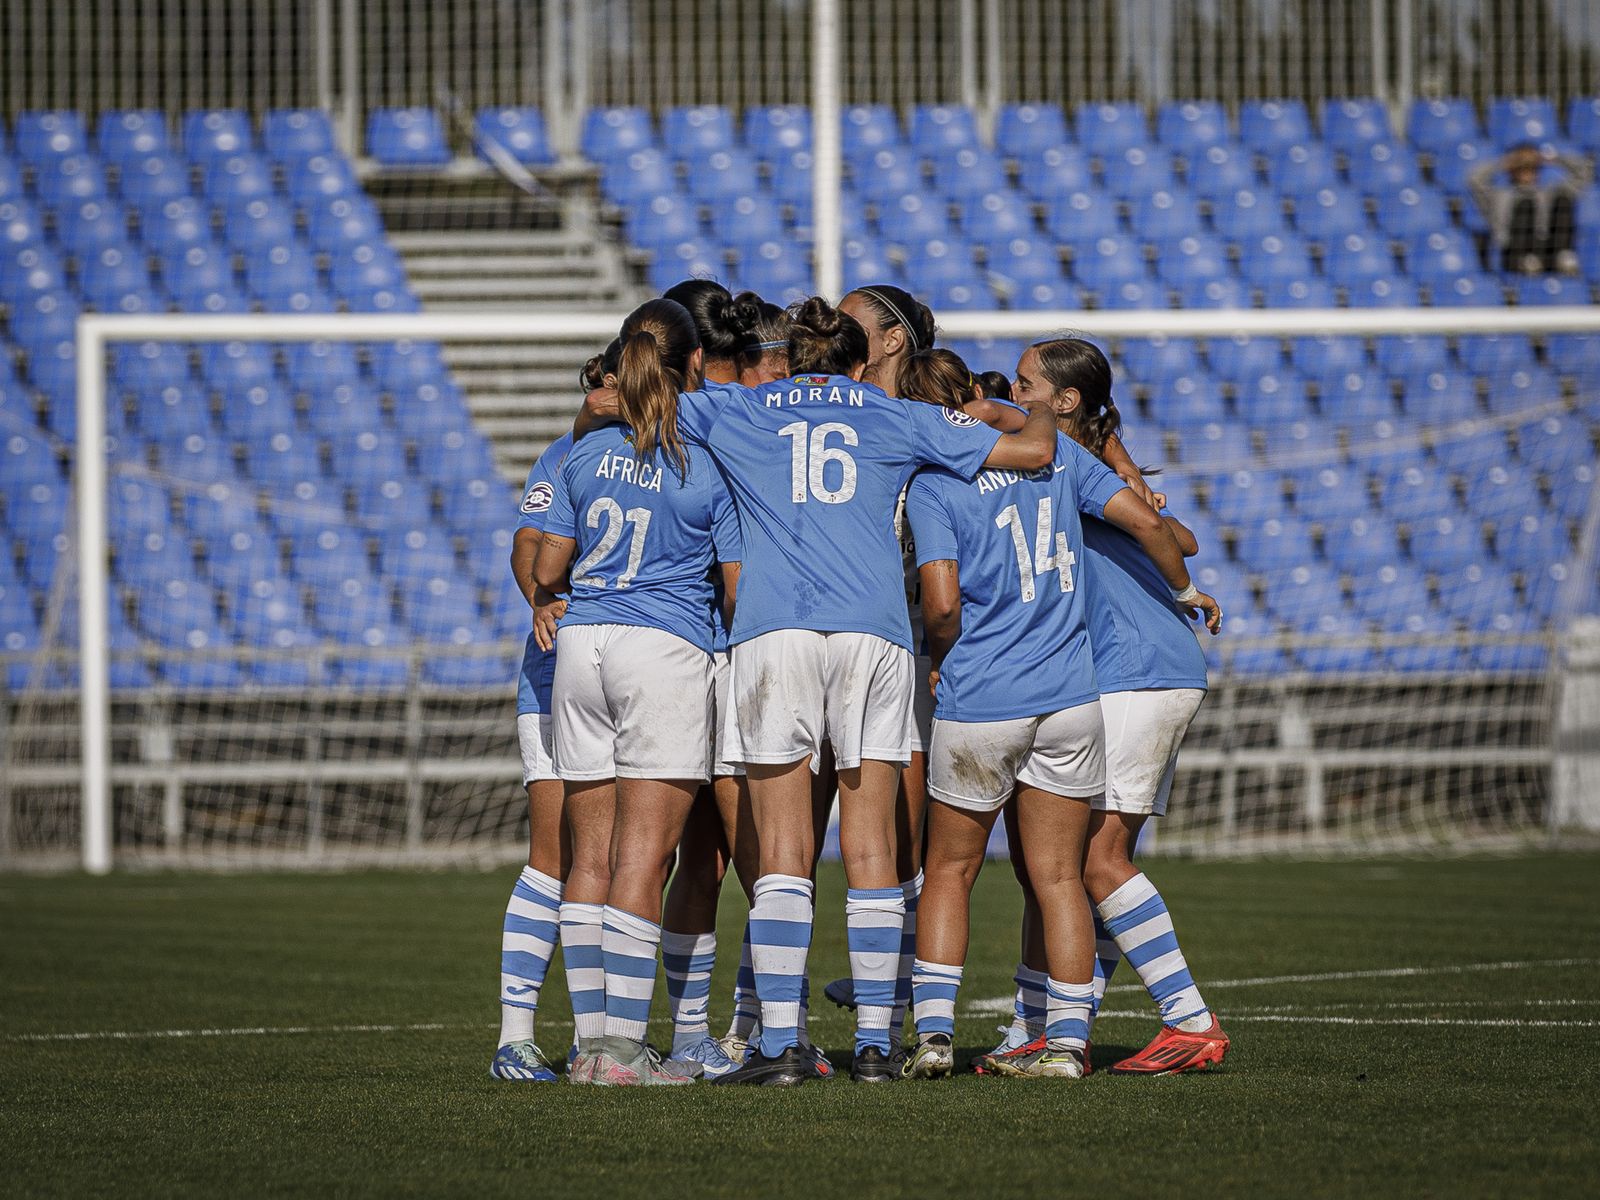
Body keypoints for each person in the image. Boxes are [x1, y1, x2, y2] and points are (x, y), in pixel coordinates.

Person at [576, 296, 1060, 1085]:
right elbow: (1033, 453)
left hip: (774, 633)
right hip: (874, 632)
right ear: (856, 360)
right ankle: (873, 1046)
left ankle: (779, 1049)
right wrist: (1015, 411)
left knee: (784, 854)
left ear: (794, 356)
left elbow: (618, 402)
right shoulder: (892, 412)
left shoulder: (738, 407)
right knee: (872, 848)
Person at [894, 347, 1221, 1082]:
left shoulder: (938, 483)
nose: (1016, 393)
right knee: (1063, 873)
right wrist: (1181, 579)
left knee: (1007, 867)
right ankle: (1049, 1035)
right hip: (1077, 691)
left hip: (1094, 677)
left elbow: (942, 601)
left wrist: (1180, 588)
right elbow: (1164, 529)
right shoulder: (1061, 463)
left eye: (1029, 385)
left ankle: (1187, 1018)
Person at [535, 299, 741, 1087]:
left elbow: (550, 570)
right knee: (644, 858)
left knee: (589, 856)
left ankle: (592, 1047)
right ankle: (623, 1052)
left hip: (581, 645)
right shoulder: (703, 462)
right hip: (663, 648)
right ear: (691, 366)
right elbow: (733, 588)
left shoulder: (581, 454)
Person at [487, 341, 616, 1082]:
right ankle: (515, 1038)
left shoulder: (666, 452)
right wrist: (543, 598)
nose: (604, 390)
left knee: (629, 861)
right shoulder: (566, 456)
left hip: (635, 674)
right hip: (556, 674)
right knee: (556, 855)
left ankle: (599, 1036)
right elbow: (529, 543)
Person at [1469, 142, 1592, 276]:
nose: (1526, 171)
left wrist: (1553, 159)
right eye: (1521, 167)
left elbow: (1584, 173)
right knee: (1525, 205)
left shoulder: (1547, 194)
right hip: (1513, 253)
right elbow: (1475, 180)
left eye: (1531, 167)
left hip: (1546, 250)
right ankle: (1527, 259)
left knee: (1563, 198)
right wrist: (1505, 162)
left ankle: (1564, 256)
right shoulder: (1499, 196)